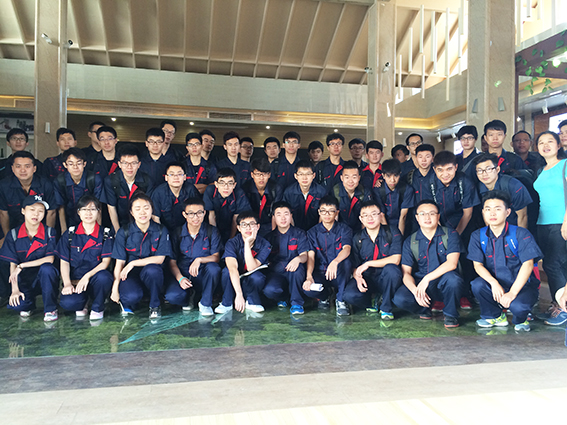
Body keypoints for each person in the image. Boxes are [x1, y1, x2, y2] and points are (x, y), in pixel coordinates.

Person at [468, 191, 542, 332]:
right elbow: (477, 265)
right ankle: (495, 316)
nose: (492, 213)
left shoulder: (520, 234)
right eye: (488, 209)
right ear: (483, 212)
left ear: (507, 212)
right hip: (496, 286)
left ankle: (522, 319)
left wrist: (512, 293)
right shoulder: (478, 236)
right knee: (477, 284)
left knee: (518, 307)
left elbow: (528, 264)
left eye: (497, 209)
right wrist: (493, 283)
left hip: (521, 287)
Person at [393, 200, 465, 328]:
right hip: (422, 284)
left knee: (453, 280)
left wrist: (427, 279)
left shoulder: (450, 235)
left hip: (444, 282)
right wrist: (415, 291)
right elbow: (406, 273)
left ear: (438, 216)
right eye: (422, 214)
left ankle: (450, 314)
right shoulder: (410, 241)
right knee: (400, 298)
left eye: (432, 213)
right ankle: (424, 309)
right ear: (417, 218)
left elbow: (452, 263)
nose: (427, 217)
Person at [110, 192, 172, 319]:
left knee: (152, 270)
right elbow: (119, 262)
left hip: (151, 272)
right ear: (131, 212)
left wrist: (133, 263)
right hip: (130, 274)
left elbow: (160, 259)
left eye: (146, 208)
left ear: (152, 210)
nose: (142, 212)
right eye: (137, 209)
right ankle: (131, 300)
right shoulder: (124, 232)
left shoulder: (161, 230)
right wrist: (115, 287)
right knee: (130, 297)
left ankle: (155, 305)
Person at [0, 195, 59, 321]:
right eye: (32, 210)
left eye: (40, 211)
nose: (36, 214)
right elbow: (12, 264)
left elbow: (50, 259)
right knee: (17, 305)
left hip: (43, 279)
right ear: (23, 211)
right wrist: (14, 290)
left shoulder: (49, 232)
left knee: (47, 269)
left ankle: (50, 309)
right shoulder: (13, 234)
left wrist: (22, 266)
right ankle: (29, 304)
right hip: (24, 280)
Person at [56, 195, 114, 321]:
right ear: (78, 212)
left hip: (95, 281)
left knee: (104, 277)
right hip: (76, 283)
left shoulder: (105, 234)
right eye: (84, 209)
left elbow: (105, 263)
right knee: (68, 303)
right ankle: (83, 303)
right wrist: (67, 284)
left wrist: (87, 277)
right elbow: (64, 262)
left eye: (92, 209)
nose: (88, 213)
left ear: (98, 212)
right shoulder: (70, 234)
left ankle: (98, 307)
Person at [343, 201, 403, 319]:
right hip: (367, 278)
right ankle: (371, 302)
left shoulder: (392, 232)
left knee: (392, 270)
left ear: (381, 215)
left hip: (386, 278)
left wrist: (368, 263)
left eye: (374, 214)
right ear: (361, 219)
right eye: (365, 215)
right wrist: (357, 277)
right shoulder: (357, 238)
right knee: (349, 295)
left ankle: (386, 307)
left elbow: (396, 259)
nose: (370, 218)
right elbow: (354, 265)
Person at [165, 198, 222, 316]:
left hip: (203, 274)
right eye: (191, 213)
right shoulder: (177, 233)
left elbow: (216, 257)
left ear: (204, 213)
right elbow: (172, 262)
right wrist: (180, 278)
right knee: (173, 297)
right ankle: (189, 297)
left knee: (214, 268)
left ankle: (205, 303)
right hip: (184, 273)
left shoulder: (211, 231)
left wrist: (199, 260)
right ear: (184, 215)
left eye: (199, 213)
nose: (195, 217)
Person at [533, 131, 567, 325]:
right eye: (541, 143)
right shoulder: (541, 170)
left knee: (554, 265)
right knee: (553, 264)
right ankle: (556, 304)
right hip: (543, 223)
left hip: (560, 222)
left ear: (558, 145)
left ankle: (563, 308)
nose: (545, 146)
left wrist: (566, 221)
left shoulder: (565, 165)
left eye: (550, 142)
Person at [303, 196, 352, 316]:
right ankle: (325, 297)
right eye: (323, 211)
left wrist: (335, 262)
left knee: (346, 262)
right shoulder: (312, 232)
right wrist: (309, 276)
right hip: (320, 272)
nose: (327, 214)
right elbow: (311, 256)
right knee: (308, 289)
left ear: (337, 213)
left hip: (338, 273)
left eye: (331, 211)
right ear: (319, 212)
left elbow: (347, 249)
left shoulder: (344, 229)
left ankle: (340, 300)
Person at [216, 211, 271, 314]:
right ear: (238, 228)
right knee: (226, 272)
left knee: (258, 277)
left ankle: (252, 301)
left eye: (252, 224)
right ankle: (226, 303)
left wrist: (247, 245)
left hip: (251, 278)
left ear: (258, 227)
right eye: (244, 225)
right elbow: (232, 268)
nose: (248, 228)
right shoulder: (232, 243)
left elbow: (251, 267)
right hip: (235, 277)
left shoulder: (265, 244)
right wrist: (239, 294)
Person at [265, 201, 309, 314]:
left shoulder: (300, 234)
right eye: (279, 214)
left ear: (291, 216)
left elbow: (304, 255)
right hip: (277, 272)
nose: (283, 218)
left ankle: (296, 303)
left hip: (294, 271)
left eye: (286, 214)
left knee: (298, 269)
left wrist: (298, 259)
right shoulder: (269, 237)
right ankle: (283, 297)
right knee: (270, 290)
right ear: (274, 218)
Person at [0, 151, 58, 232]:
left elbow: (51, 212)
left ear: (34, 169)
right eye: (18, 166)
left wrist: (47, 236)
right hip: (14, 228)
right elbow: (3, 213)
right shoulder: (4, 186)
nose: (23, 170)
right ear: (12, 168)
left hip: (40, 228)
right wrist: (7, 236)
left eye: (27, 166)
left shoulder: (46, 184)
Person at [101, 144, 153, 232]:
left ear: (139, 164)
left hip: (141, 223)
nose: (129, 167)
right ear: (119, 164)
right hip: (120, 223)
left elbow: (148, 207)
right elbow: (111, 208)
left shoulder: (147, 180)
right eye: (125, 163)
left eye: (133, 163)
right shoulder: (111, 181)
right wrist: (118, 232)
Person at [428, 151, 479, 235]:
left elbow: (467, 213)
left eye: (449, 169)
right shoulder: (430, 183)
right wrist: (442, 234)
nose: (445, 174)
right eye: (440, 170)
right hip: (439, 226)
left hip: (463, 226)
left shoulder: (465, 182)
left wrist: (455, 236)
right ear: (434, 169)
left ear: (456, 167)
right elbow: (430, 211)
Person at [473, 153, 532, 228]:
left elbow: (522, 216)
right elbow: (485, 214)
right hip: (496, 229)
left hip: (514, 228)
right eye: (480, 170)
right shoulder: (478, 188)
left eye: (488, 169)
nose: (484, 174)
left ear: (497, 169)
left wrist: (521, 235)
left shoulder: (513, 185)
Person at [54, 148, 103, 232]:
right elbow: (61, 207)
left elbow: (98, 206)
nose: (75, 167)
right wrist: (64, 230)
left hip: (90, 217)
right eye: (71, 164)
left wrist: (97, 230)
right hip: (69, 218)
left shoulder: (94, 179)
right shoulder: (60, 181)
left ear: (84, 164)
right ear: (65, 165)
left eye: (79, 163)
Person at [203, 167, 251, 243]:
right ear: (216, 184)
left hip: (231, 227)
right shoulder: (210, 191)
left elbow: (235, 219)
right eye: (222, 183)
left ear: (234, 185)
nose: (226, 187)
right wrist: (215, 239)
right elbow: (211, 216)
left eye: (230, 183)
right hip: (214, 226)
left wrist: (231, 239)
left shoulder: (239, 193)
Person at [149, 162, 199, 232]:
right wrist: (161, 234)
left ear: (184, 177)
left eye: (179, 174)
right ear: (166, 178)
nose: (176, 177)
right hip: (165, 230)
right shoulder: (158, 192)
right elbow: (155, 218)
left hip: (187, 230)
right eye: (171, 174)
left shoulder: (191, 190)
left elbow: (197, 214)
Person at [372, 159, 414, 235]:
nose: (392, 180)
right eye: (388, 176)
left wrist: (399, 237)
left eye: (396, 175)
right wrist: (388, 236)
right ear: (383, 175)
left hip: (403, 225)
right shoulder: (378, 190)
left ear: (400, 174)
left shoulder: (407, 189)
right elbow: (381, 215)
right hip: (384, 226)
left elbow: (403, 216)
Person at [281, 160, 326, 231]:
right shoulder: (289, 192)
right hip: (295, 231)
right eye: (301, 174)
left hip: (316, 231)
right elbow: (285, 214)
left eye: (308, 174)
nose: (304, 178)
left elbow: (325, 215)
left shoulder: (321, 192)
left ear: (313, 175)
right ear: (296, 176)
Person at [242, 158, 282, 237]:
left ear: (269, 175)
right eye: (257, 174)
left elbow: (276, 213)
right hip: (251, 226)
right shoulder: (245, 189)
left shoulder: (276, 189)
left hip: (270, 225)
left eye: (264, 174)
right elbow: (245, 214)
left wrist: (274, 234)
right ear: (252, 175)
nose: (261, 178)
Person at [332, 160, 371, 232]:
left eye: (354, 177)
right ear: (341, 178)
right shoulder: (334, 192)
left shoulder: (365, 192)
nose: (350, 181)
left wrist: (364, 236)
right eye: (347, 177)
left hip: (359, 231)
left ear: (359, 178)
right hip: (340, 232)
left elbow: (367, 216)